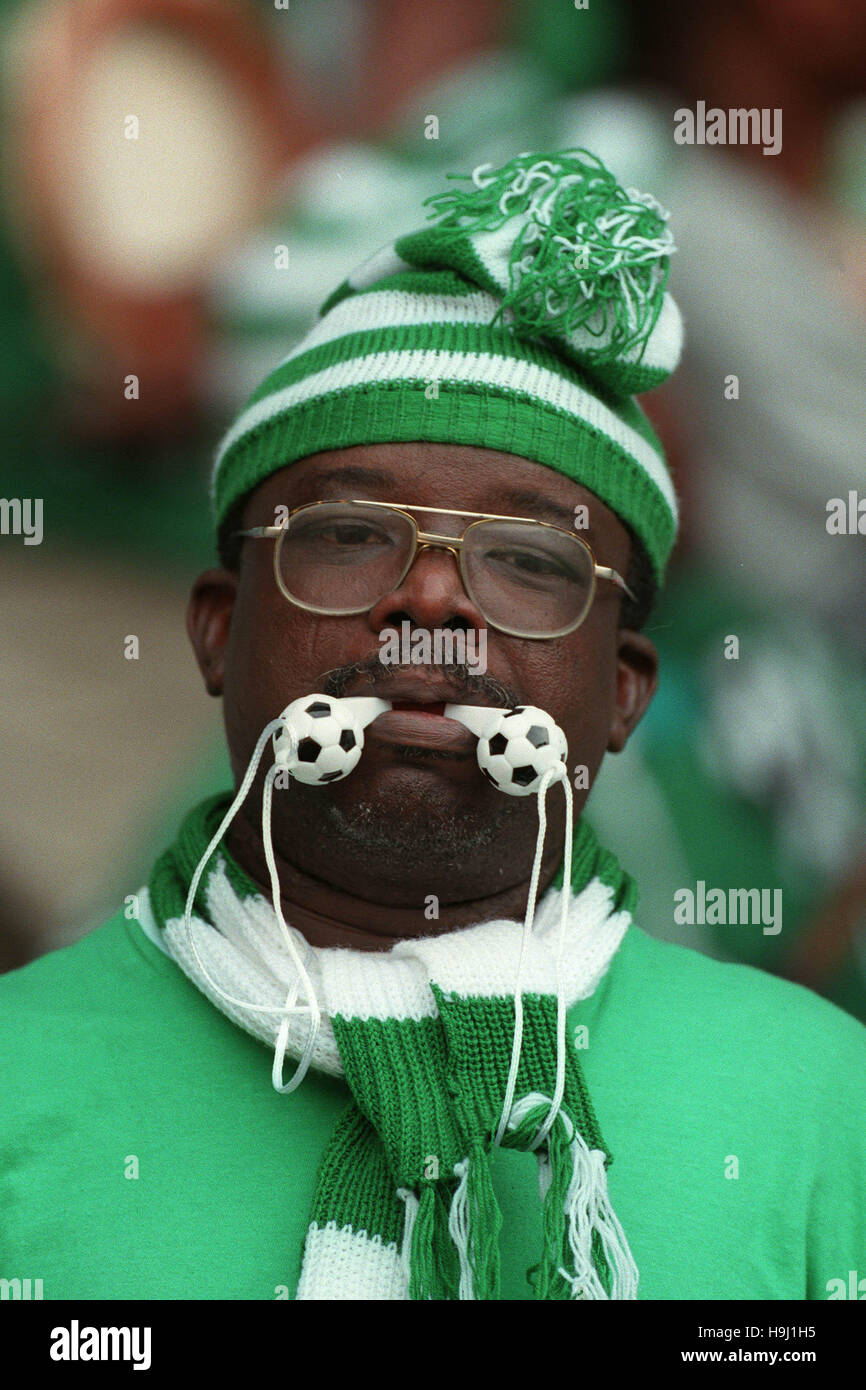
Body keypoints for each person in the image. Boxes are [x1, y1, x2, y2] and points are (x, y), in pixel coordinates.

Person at [1, 149, 864, 1302]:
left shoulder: (816, 1104)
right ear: (217, 630)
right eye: (349, 534)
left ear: (621, 692)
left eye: (524, 560)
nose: (430, 599)